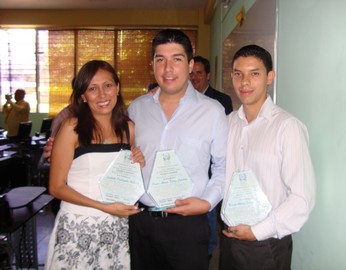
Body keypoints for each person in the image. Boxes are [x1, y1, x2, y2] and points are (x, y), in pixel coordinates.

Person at [127, 29, 228, 270]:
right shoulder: (136, 109)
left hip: (188, 225)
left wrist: (207, 202)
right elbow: (120, 153)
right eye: (160, 59)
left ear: (190, 64)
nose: (168, 68)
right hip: (140, 222)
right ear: (152, 64)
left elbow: (224, 166)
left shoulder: (212, 111)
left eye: (177, 59)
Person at [220, 44, 316, 270]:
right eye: (238, 74)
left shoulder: (287, 127)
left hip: (266, 244)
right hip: (230, 237)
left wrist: (256, 232)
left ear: (269, 77)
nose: (244, 82)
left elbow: (302, 198)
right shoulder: (228, 123)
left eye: (254, 74)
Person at [45, 60, 145, 270]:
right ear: (83, 95)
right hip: (78, 226)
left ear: (117, 88)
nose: (102, 95)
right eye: (92, 88)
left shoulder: (129, 128)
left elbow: (125, 176)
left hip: (115, 227)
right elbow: (56, 187)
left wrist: (138, 161)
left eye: (107, 85)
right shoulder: (72, 127)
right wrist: (103, 207)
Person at [190, 55, 233, 259]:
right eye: (192, 73)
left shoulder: (222, 100)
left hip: (215, 171)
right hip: (192, 170)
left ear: (208, 75)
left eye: (199, 73)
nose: (194, 77)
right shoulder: (183, 100)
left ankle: (207, 253)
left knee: (210, 222)